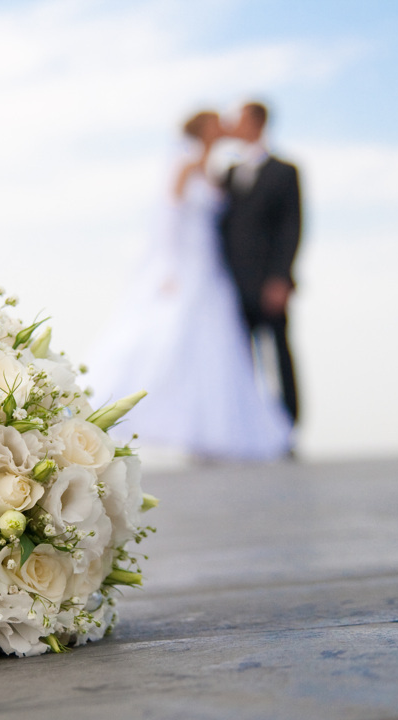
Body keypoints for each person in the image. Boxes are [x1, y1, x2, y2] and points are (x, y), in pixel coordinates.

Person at [86, 110, 292, 461]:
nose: (224, 127)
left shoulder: (216, 171)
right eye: (216, 123)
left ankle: (210, 432)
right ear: (201, 130)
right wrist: (168, 266)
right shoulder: (183, 165)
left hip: (212, 268)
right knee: (170, 340)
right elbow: (167, 216)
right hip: (186, 264)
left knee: (215, 350)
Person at [218, 102, 303, 426]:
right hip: (230, 284)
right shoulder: (226, 175)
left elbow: (292, 227)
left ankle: (288, 428)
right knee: (238, 361)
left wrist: (281, 277)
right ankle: (246, 430)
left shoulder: (285, 171)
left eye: (237, 120)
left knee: (279, 354)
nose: (231, 126)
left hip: (269, 283)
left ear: (257, 123)